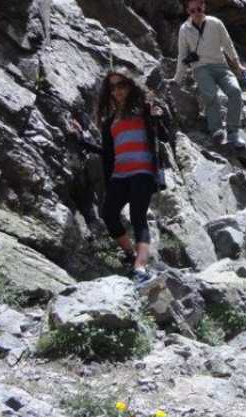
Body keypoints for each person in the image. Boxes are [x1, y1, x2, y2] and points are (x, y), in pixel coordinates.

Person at [90, 69, 169, 284]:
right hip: (119, 174)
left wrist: (158, 117)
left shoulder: (144, 110)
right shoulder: (109, 121)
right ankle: (132, 255)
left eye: (121, 85)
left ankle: (140, 268)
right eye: (113, 87)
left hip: (143, 171)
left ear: (131, 85)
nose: (117, 91)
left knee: (138, 217)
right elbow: (108, 153)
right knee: (108, 215)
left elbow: (165, 136)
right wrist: (80, 140)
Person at [172, 0, 246, 146]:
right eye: (192, 11)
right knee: (210, 94)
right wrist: (177, 78)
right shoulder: (184, 30)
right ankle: (216, 130)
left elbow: (227, 44)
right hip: (200, 68)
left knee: (235, 91)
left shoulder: (215, 23)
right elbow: (182, 55)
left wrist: (237, 65)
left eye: (198, 9)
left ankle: (233, 132)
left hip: (221, 66)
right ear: (188, 11)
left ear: (204, 7)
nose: (196, 13)